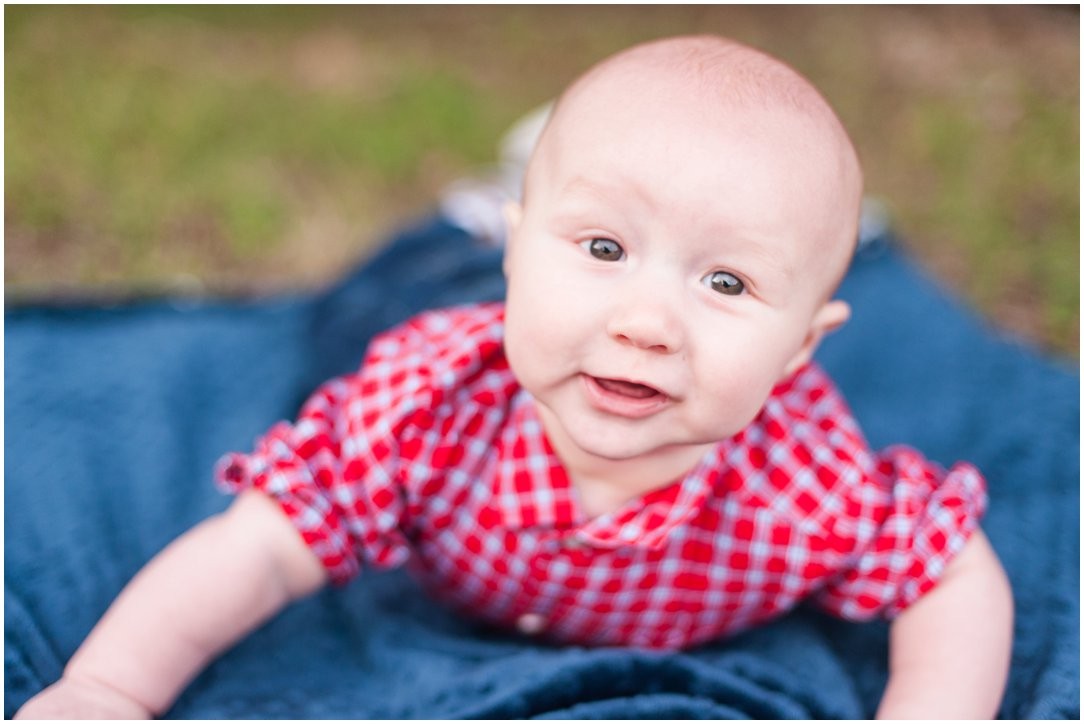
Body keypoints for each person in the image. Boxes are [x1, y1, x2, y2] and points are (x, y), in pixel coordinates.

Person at [15, 34, 1012, 719]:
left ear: (799, 351)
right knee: (353, 314)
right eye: (606, 248)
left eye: (725, 280)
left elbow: (951, 568)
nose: (647, 322)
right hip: (442, 299)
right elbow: (262, 549)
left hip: (535, 292)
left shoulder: (809, 487)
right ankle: (478, 214)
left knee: (635, 246)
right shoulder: (420, 413)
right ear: (522, 250)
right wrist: (109, 688)